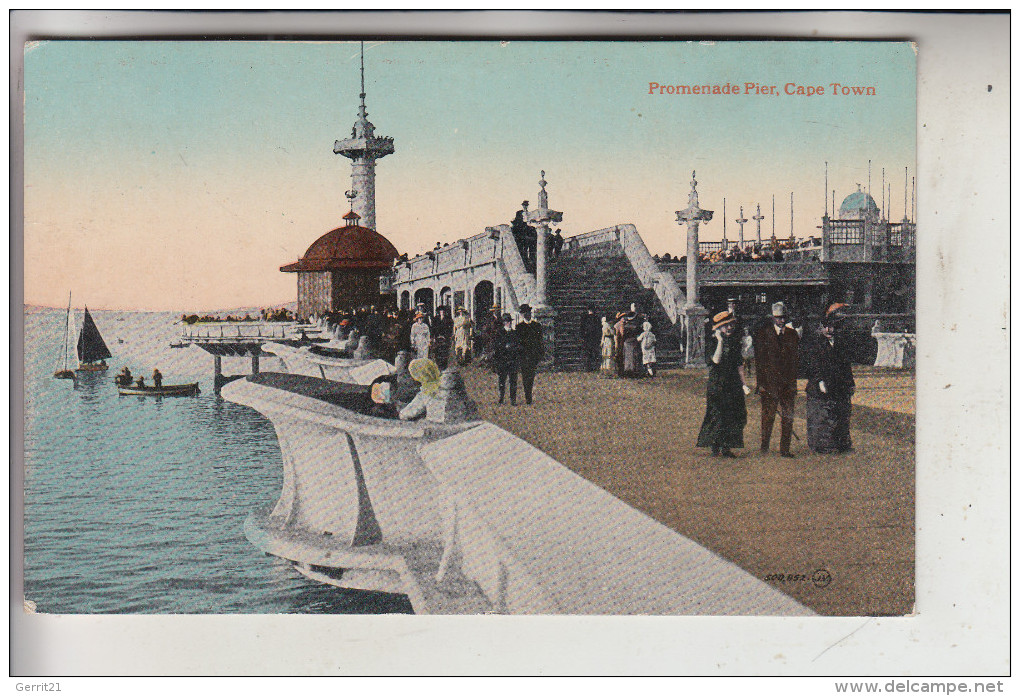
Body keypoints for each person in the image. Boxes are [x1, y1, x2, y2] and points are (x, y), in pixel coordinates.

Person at [696, 311, 750, 457]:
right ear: (718, 328)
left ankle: (727, 447)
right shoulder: (712, 342)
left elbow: (739, 365)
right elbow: (716, 360)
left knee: (733, 414)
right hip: (718, 384)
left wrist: (744, 384)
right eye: (726, 325)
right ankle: (715, 445)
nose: (730, 327)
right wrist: (719, 341)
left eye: (731, 324)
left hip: (733, 383)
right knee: (717, 414)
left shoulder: (734, 342)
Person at [804, 303, 856, 453]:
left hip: (838, 385)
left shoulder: (841, 343)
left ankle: (842, 444)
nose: (828, 330)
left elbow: (846, 365)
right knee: (820, 416)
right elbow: (812, 365)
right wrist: (819, 380)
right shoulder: (815, 344)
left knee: (842, 413)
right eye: (825, 327)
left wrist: (851, 383)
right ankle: (820, 445)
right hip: (819, 386)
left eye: (832, 327)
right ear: (821, 327)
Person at [754, 301, 800, 457]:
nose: (781, 321)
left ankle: (785, 449)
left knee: (788, 417)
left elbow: (795, 360)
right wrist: (760, 384)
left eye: (783, 318)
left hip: (788, 384)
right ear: (772, 318)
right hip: (769, 384)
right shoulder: (763, 334)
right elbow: (759, 361)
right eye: (778, 318)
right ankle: (764, 447)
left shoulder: (792, 334)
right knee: (768, 417)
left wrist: (794, 383)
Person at [515, 304, 544, 405]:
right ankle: (527, 395)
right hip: (523, 356)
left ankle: (529, 394)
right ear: (522, 315)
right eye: (525, 313)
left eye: (529, 312)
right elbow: (517, 342)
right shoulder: (519, 327)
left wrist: (540, 354)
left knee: (531, 376)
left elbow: (540, 341)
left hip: (533, 355)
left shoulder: (537, 326)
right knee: (525, 376)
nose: (527, 314)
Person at [493, 312, 521, 405]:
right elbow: (497, 347)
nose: (509, 323)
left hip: (513, 360)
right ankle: (501, 397)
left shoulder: (515, 333)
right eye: (506, 321)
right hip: (503, 360)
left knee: (513, 381)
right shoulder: (499, 333)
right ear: (504, 323)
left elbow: (518, 345)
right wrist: (505, 347)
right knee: (502, 380)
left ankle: (513, 399)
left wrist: (513, 348)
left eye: (509, 321)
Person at [581, 307, 602, 372]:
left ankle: (588, 368)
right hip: (595, 338)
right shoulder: (597, 318)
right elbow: (599, 329)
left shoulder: (585, 318)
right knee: (595, 354)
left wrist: (583, 337)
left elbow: (582, 328)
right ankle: (595, 367)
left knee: (588, 354)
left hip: (587, 338)